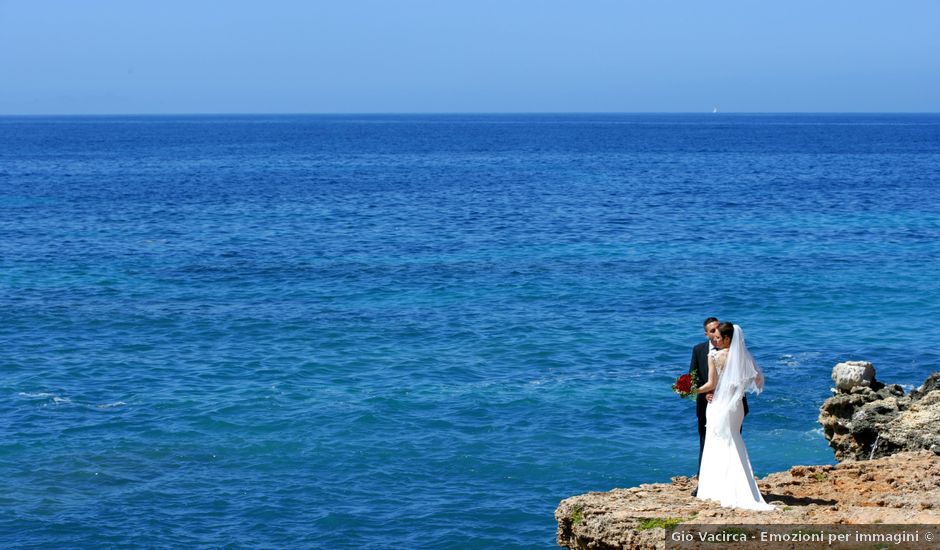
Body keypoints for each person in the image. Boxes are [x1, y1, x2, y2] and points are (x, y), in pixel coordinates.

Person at [695, 323, 773, 510]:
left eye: (719, 338)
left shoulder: (713, 356)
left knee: (717, 442)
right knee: (734, 440)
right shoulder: (743, 357)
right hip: (736, 406)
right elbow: (758, 379)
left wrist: (691, 390)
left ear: (728, 339)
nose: (716, 340)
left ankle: (716, 488)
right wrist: (738, 388)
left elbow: (711, 383)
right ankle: (741, 487)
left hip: (718, 405)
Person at [689, 318, 748, 497]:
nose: (715, 334)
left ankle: (730, 484)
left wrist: (694, 391)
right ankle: (705, 483)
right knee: (707, 443)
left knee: (730, 443)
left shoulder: (733, 353)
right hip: (709, 404)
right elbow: (694, 375)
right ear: (706, 333)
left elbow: (717, 381)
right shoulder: (699, 350)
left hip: (730, 405)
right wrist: (701, 392)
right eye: (712, 331)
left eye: (718, 330)